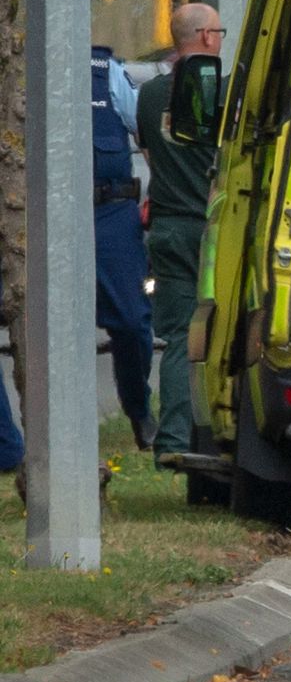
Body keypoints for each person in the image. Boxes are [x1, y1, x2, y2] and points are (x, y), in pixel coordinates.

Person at [136, 4, 223, 462]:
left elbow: (151, 155)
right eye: (220, 31)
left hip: (167, 228)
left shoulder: (148, 95)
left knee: (175, 336)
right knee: (219, 334)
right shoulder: (220, 90)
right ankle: (216, 434)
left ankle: (171, 442)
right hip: (208, 230)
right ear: (207, 37)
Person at [92, 45, 157, 451]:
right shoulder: (15, 65)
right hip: (33, 214)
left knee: (133, 322)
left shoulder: (104, 70)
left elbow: (146, 133)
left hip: (110, 213)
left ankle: (139, 410)